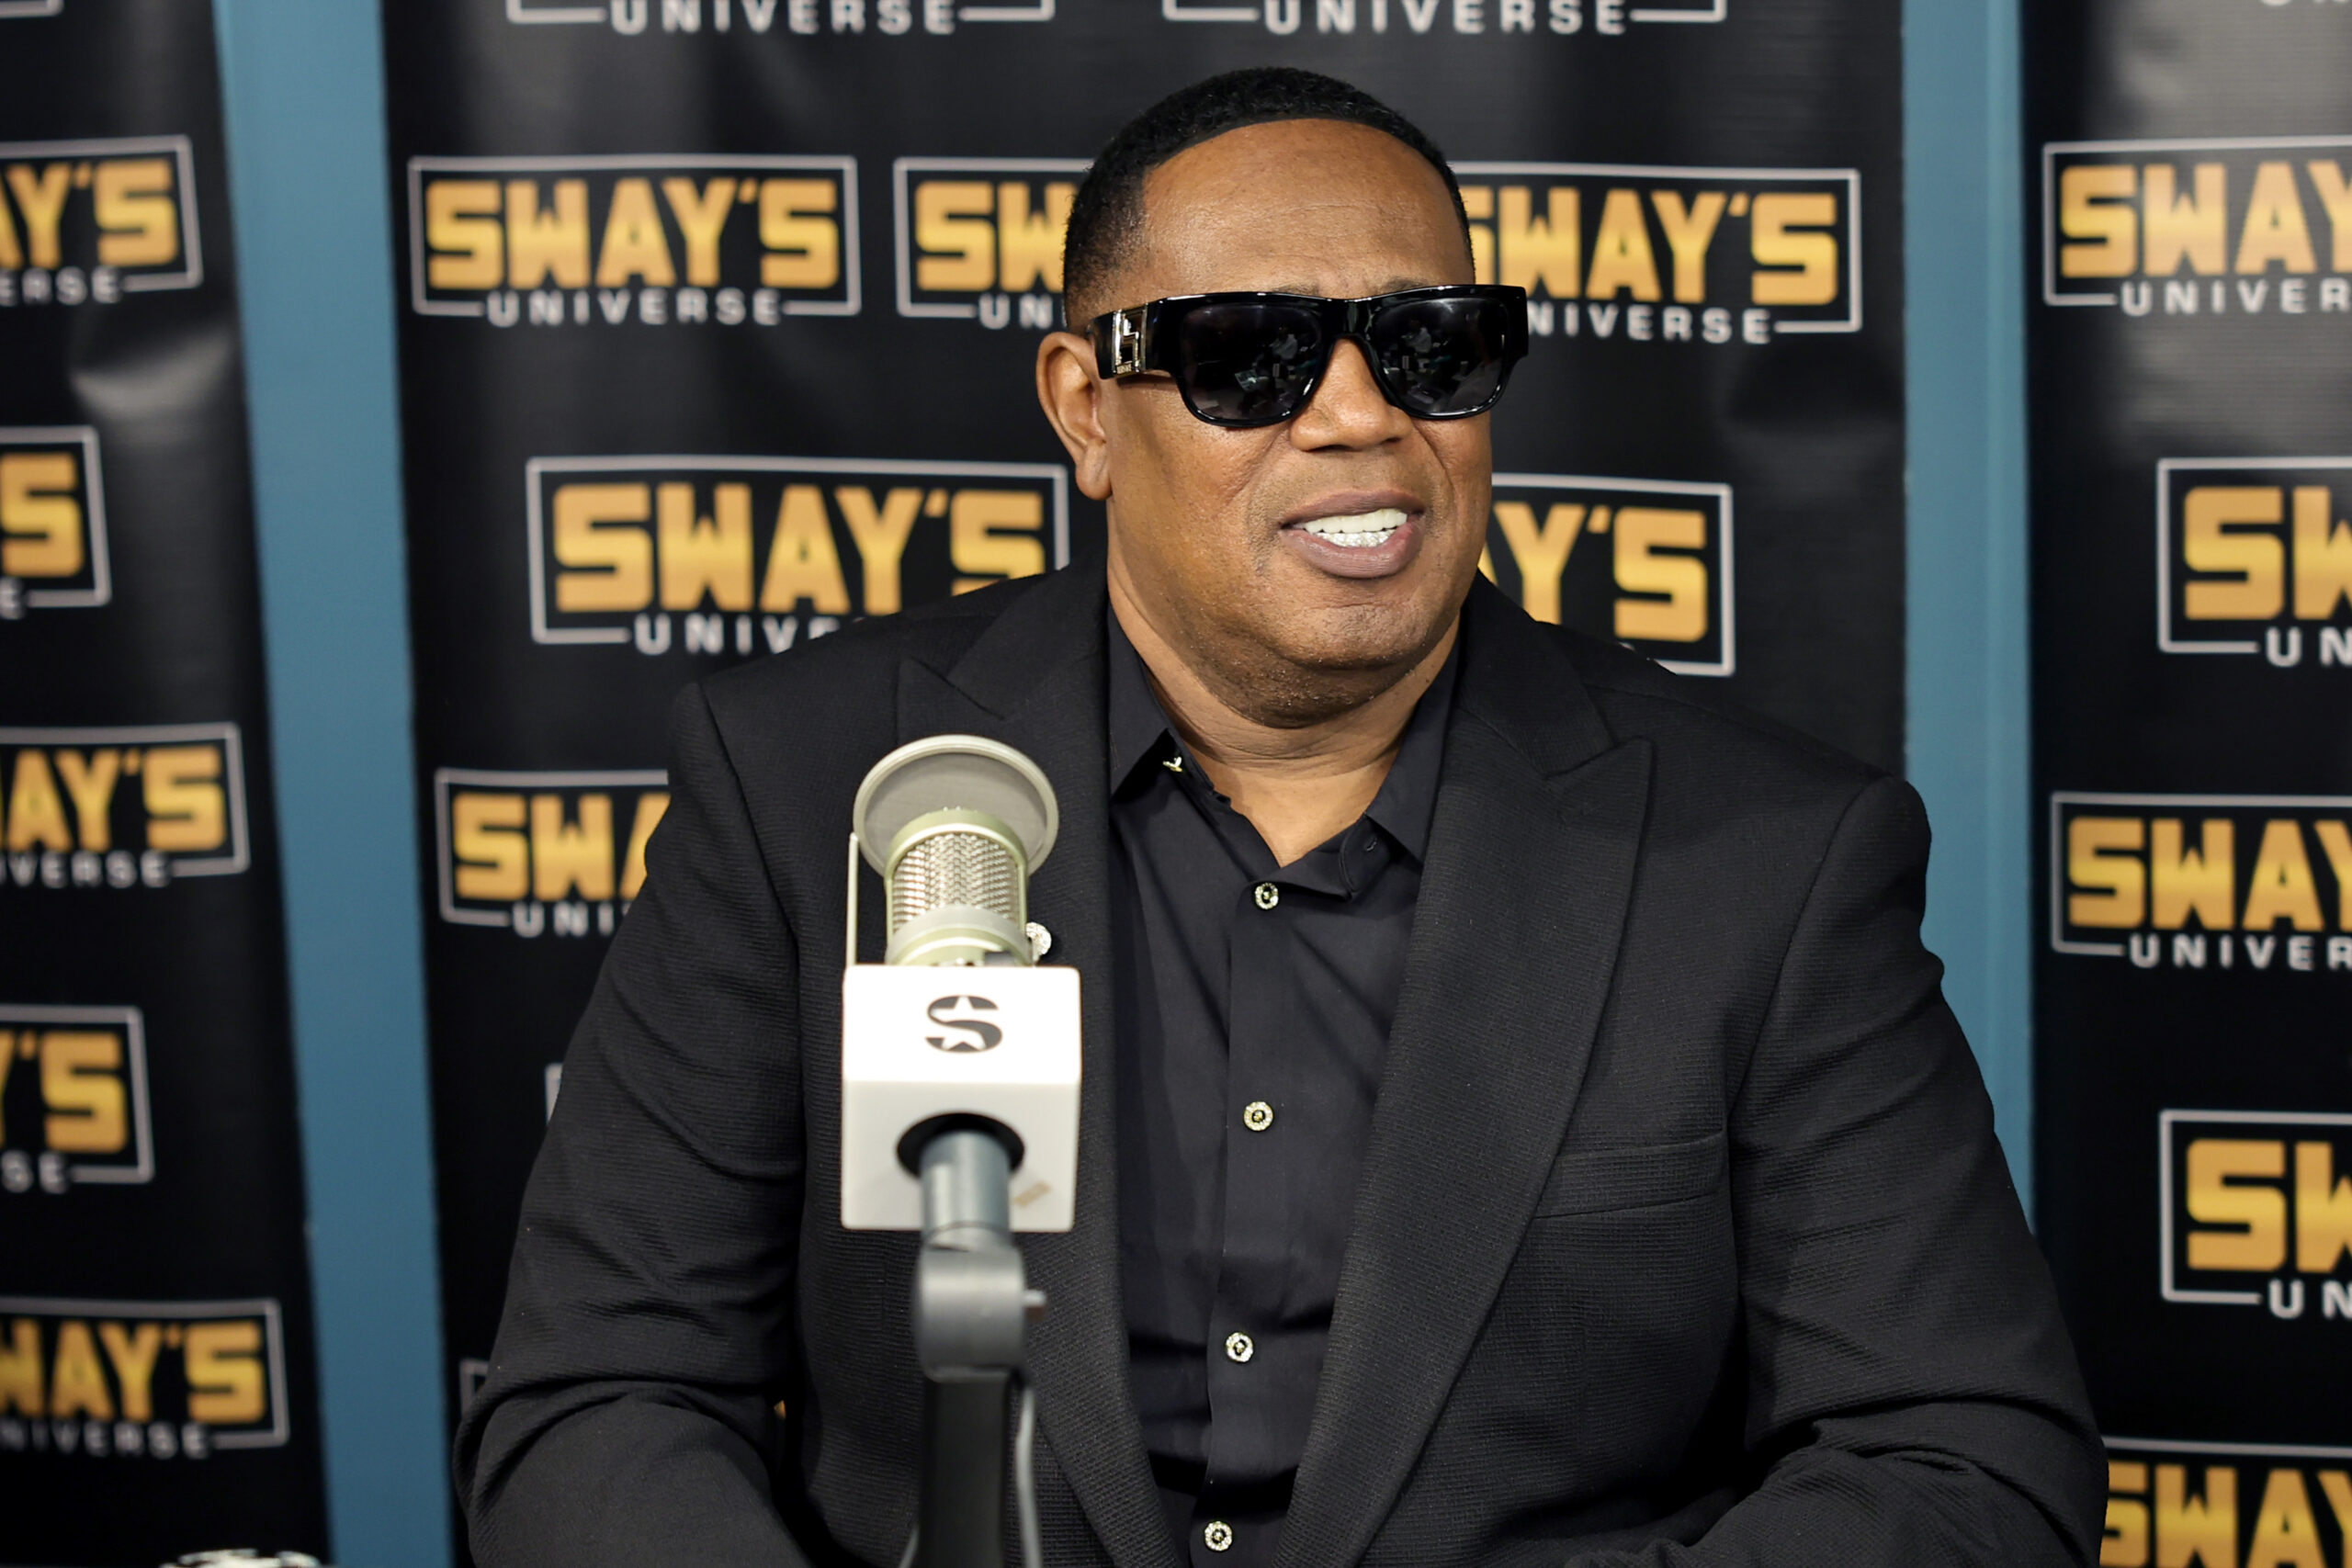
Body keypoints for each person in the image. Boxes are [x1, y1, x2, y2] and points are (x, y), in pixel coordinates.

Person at [456, 67, 2103, 1568]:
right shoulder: (810, 786)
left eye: (1430, 346)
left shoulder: (1765, 859)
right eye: (1249, 354)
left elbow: (1966, 1463)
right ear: (1086, 409)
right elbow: (601, 1396)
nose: (1358, 414)